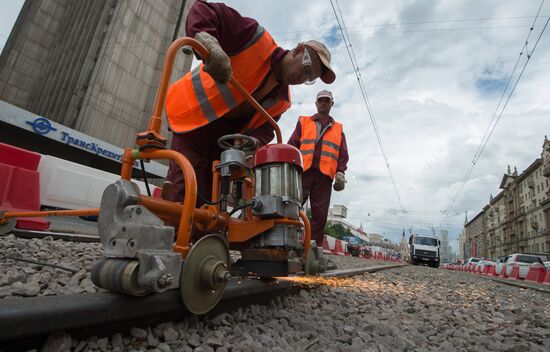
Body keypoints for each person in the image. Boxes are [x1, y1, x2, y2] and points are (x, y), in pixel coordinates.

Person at [164, 0, 336, 212]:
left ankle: (196, 241)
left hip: (223, 142)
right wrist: (209, 43)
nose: (303, 77)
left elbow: (264, 131)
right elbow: (203, 9)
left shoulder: (282, 100)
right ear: (298, 50)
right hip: (193, 116)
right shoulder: (255, 39)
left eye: (310, 77)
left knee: (209, 206)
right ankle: (173, 238)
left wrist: (253, 142)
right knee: (185, 192)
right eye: (307, 68)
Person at [287, 90, 349, 249]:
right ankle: (286, 242)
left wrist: (340, 172)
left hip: (324, 177)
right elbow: (292, 144)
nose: (323, 103)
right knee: (292, 207)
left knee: (320, 216)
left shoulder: (338, 129)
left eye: (326, 101)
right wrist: (289, 165)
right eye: (320, 100)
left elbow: (343, 153)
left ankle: (313, 248)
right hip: (303, 173)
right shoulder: (304, 122)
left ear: (331, 104)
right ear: (316, 103)